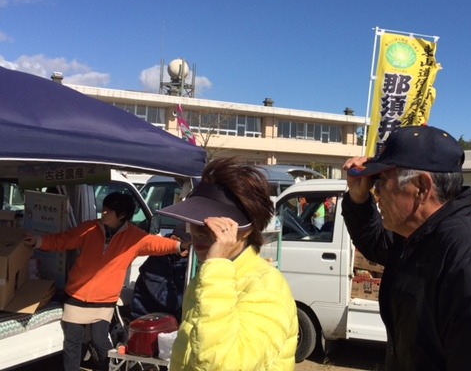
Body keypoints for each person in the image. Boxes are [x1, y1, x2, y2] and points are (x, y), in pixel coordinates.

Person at [342, 125, 471, 370]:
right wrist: (358, 199)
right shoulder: (420, 235)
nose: (377, 193)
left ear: (422, 188)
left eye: (383, 182)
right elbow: (376, 243)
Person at [156, 157, 298, 371]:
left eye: (215, 225)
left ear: (247, 230)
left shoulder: (266, 286)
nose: (198, 231)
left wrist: (216, 266)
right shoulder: (209, 277)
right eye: (194, 221)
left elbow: (224, 364)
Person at [23, 192, 189, 371]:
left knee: (100, 341)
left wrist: (178, 246)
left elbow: (154, 243)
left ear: (122, 215)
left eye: (108, 210)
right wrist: (38, 241)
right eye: (104, 208)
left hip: (104, 300)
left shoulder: (133, 236)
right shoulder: (89, 228)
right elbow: (64, 240)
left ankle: (111, 369)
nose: (103, 213)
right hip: (76, 294)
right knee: (73, 340)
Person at [130, 226, 190, 321]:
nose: (188, 252)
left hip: (173, 314)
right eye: (185, 247)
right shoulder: (156, 261)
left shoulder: (185, 258)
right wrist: (189, 302)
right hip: (149, 316)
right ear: (174, 239)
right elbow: (165, 297)